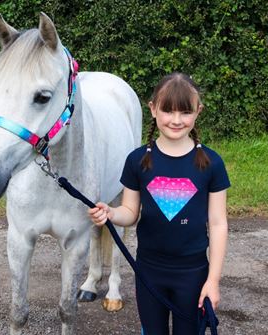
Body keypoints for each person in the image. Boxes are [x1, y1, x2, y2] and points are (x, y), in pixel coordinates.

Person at [88, 72, 230, 335]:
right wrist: (110, 213)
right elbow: (130, 212)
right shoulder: (137, 161)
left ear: (198, 111)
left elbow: (219, 224)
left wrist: (213, 280)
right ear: (153, 109)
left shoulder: (212, 163)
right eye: (168, 111)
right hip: (149, 272)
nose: (176, 120)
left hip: (194, 274)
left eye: (185, 112)